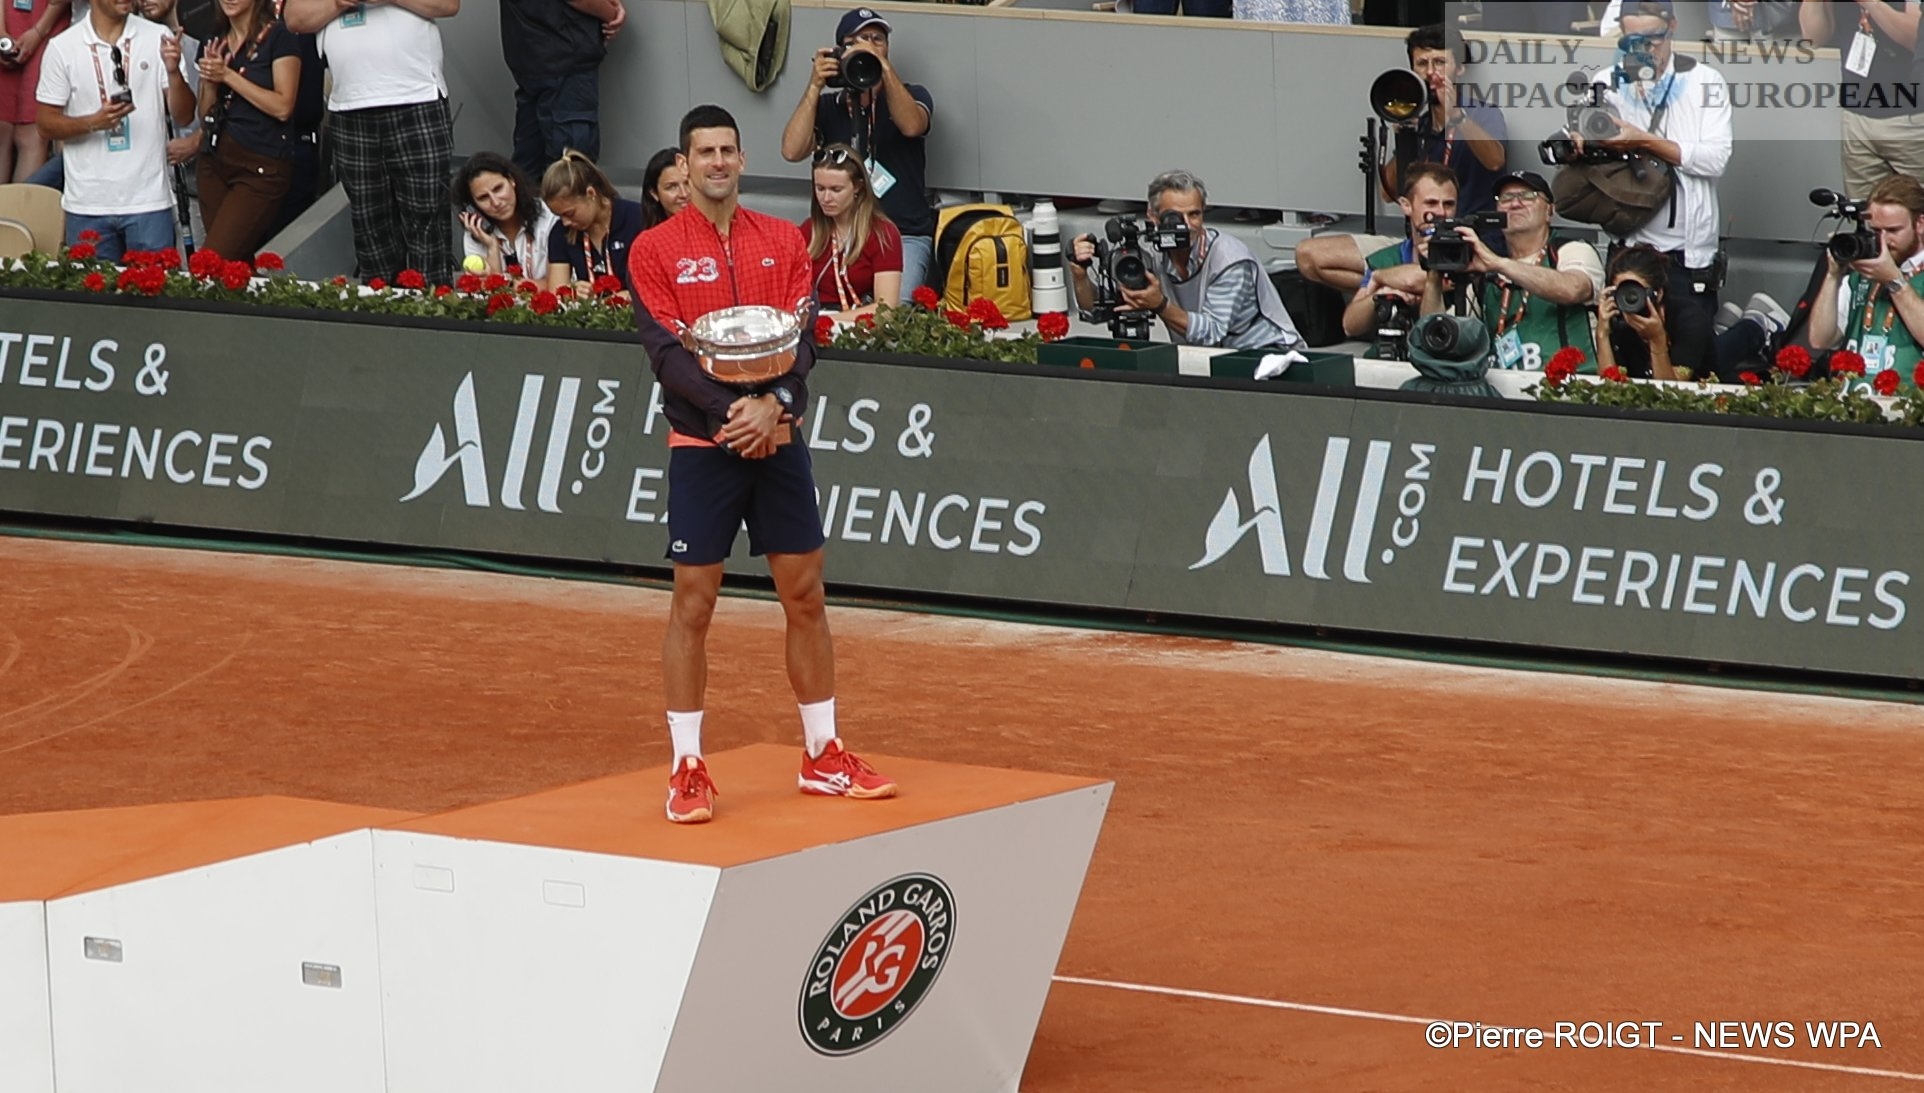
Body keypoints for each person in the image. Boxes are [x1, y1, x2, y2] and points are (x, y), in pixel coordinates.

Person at [628, 103, 896, 824]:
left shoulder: (783, 240)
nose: (717, 162)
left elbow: (804, 342)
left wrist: (772, 404)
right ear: (683, 165)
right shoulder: (653, 250)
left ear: (742, 160)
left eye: (727, 150)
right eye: (703, 152)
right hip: (702, 443)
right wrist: (731, 413)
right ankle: (688, 766)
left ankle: (823, 754)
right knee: (694, 602)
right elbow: (665, 353)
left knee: (805, 595)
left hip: (778, 436)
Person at [1581, 0, 1734, 379]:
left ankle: (1749, 331)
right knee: (1625, 360)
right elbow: (1592, 145)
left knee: (1690, 368)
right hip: (1629, 249)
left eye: (1653, 38)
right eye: (1633, 40)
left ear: (1673, 27)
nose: (1645, 48)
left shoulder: (1705, 81)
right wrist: (1582, 140)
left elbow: (1714, 160)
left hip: (1685, 256)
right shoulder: (1606, 82)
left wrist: (1643, 140)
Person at [1295, 23, 1506, 294]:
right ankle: (1399, 287)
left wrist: (1456, 116)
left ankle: (1398, 285)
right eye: (1422, 64)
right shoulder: (1417, 120)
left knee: (1423, 277)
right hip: (1415, 244)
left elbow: (1495, 160)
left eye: (1440, 62)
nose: (1431, 72)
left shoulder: (1482, 113)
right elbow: (1388, 193)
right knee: (1308, 255)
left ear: (1460, 69)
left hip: (1467, 245)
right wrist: (1404, 136)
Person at [283, 0, 457, 285]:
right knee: (370, 223)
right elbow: (294, 18)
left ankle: (431, 305)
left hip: (417, 97)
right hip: (349, 105)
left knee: (427, 220)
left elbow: (448, 5)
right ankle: (379, 305)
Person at [779, 8, 934, 292]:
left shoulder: (911, 95)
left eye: (877, 39)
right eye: (855, 42)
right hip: (841, 233)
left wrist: (881, 66)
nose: (868, 45)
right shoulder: (829, 106)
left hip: (903, 233)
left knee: (893, 309)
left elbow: (912, 125)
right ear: (840, 52)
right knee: (811, 295)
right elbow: (791, 151)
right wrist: (814, 86)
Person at [1068, 168, 1304, 351]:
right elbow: (1097, 308)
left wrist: (1160, 305)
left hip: (1267, 356)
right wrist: (1080, 275)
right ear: (1153, 217)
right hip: (1209, 357)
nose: (1186, 225)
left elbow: (1212, 331)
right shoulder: (1152, 255)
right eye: (1174, 217)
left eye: (1194, 214)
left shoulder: (1230, 259)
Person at [35, 0, 196, 259]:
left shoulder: (157, 36)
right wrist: (93, 122)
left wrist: (174, 72)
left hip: (149, 200)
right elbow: (45, 124)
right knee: (93, 286)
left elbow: (184, 116)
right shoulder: (62, 47)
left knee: (155, 284)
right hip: (87, 203)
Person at [1418, 170, 1602, 371]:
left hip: (1569, 385)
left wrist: (1498, 263)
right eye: (1506, 198)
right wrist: (1433, 275)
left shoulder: (1570, 250)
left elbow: (1573, 289)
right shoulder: (1488, 275)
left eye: (1528, 196)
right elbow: (1438, 336)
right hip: (1502, 387)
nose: (1515, 204)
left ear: (1550, 210)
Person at [193, 0, 301, 261]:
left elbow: (283, 106)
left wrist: (228, 76)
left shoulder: (279, 36)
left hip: (259, 164)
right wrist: (210, 83)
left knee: (212, 259)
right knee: (232, 265)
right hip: (214, 159)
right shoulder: (214, 39)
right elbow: (205, 115)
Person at [1809, 172, 1924, 390]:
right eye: (1876, 230)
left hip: (1909, 404)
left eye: (1893, 230)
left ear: (1920, 223)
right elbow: (1819, 339)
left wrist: (1894, 281)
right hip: (1854, 401)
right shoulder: (1861, 273)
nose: (1884, 240)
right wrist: (1833, 275)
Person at [1800, 0, 1924, 201]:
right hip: (1856, 115)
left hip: (1912, 117)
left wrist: (1871, 3)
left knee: (1917, 206)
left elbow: (1917, 38)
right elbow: (1814, 38)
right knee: (1864, 210)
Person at [499, 0, 623, 182]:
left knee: (529, 165)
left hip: (529, 51)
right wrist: (611, 14)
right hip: (564, 51)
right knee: (570, 173)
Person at [1341, 161, 1457, 340]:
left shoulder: (1467, 254)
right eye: (1431, 203)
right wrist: (1381, 294)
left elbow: (1413, 281)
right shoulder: (1386, 259)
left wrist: (1381, 277)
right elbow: (1350, 326)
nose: (1441, 212)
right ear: (1406, 206)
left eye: (1449, 204)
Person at [800, 143, 900, 320]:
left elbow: (887, 309)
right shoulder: (808, 230)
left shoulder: (883, 233)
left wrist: (825, 322)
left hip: (860, 324)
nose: (826, 198)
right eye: (820, 188)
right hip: (815, 319)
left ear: (858, 187)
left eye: (836, 190)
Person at [541, 147, 640, 297]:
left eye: (569, 213)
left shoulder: (637, 218)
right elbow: (556, 293)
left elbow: (659, 283)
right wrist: (571, 292)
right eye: (559, 216)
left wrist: (633, 296)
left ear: (591, 193)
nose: (565, 222)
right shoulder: (560, 232)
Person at [453, 150, 556, 277]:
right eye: (483, 197)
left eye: (498, 189)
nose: (496, 202)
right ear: (473, 206)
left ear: (511, 180)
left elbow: (557, 283)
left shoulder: (548, 215)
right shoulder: (476, 231)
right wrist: (492, 247)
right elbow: (492, 287)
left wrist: (510, 284)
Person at [0, 0, 70, 183]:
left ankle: (20, 203)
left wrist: (39, 32)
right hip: (8, 19)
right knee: (2, 130)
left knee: (32, 134)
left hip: (48, 24)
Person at [639, 145, 689, 229]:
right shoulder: (650, 236)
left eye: (688, 183)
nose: (684, 194)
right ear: (654, 193)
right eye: (672, 187)